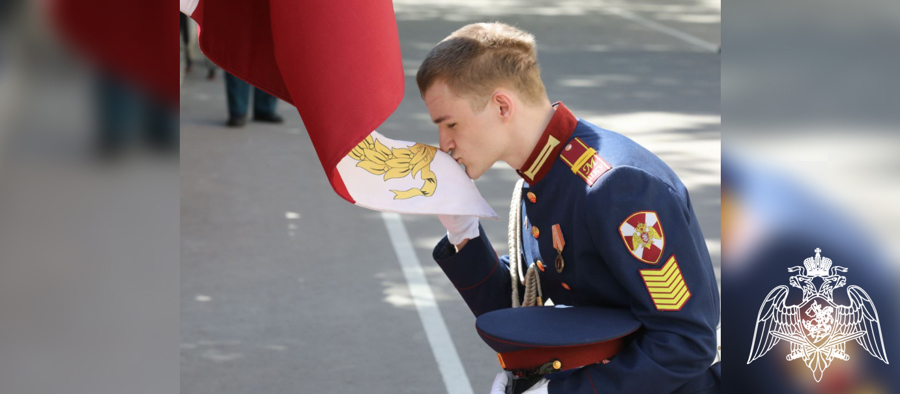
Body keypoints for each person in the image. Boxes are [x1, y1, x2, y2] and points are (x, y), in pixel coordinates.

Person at [418, 23, 720, 393]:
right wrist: (461, 229)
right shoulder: (542, 177)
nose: (443, 143)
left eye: (450, 123)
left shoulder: (615, 187)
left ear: (501, 105)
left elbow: (686, 342)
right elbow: (517, 307)